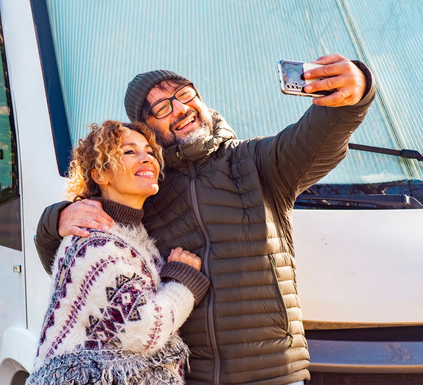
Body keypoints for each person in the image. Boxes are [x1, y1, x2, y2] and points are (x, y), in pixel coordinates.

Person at [35, 54, 374, 385]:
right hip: (190, 376)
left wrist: (355, 92)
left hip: (273, 373)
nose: (180, 109)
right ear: (148, 129)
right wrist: (56, 218)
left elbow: (317, 138)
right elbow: (81, 273)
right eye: (162, 108)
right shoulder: (147, 194)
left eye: (184, 95)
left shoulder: (257, 162)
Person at [27, 120, 211, 385]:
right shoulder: (94, 242)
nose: (147, 158)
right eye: (129, 152)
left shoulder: (133, 236)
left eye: (149, 151)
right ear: (100, 175)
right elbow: (144, 329)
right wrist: (182, 283)